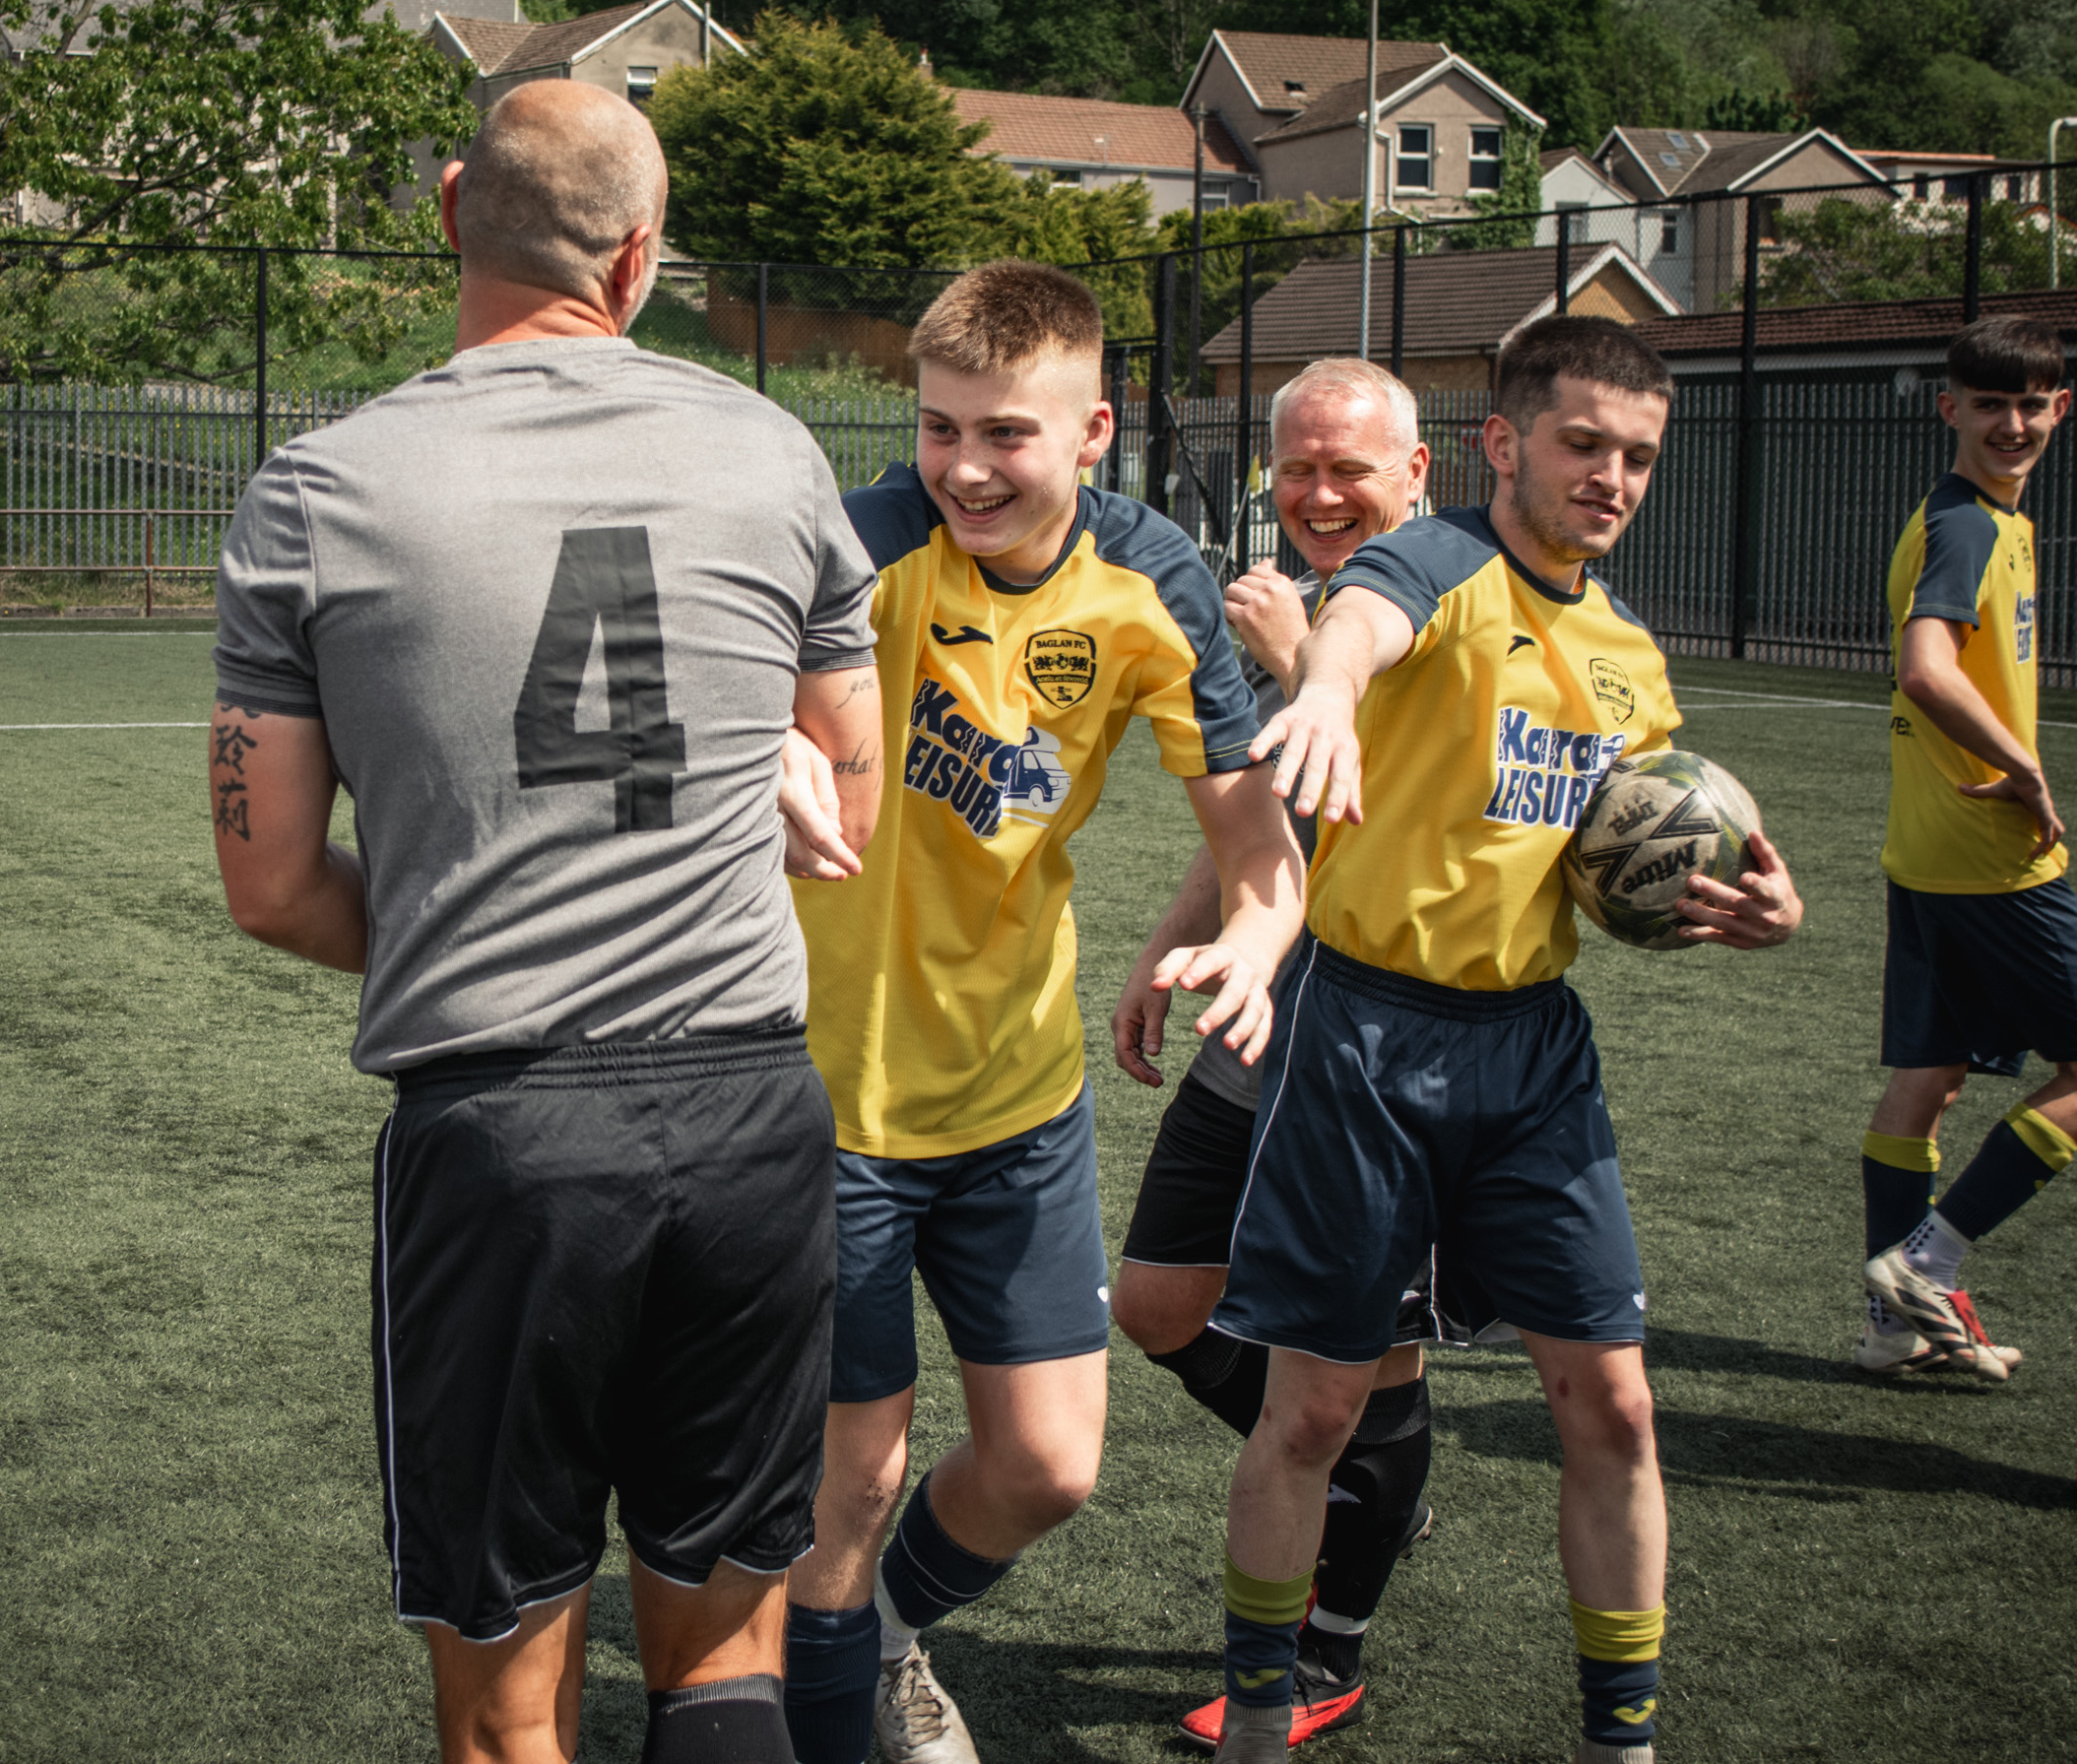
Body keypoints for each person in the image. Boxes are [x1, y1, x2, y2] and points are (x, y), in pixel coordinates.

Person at [208, 78, 885, 1764]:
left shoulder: (321, 487)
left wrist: (470, 919)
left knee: (511, 1717)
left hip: (505, 1127)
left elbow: (272, 881)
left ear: (450, 210)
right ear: (640, 256)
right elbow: (842, 811)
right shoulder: (777, 451)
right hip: (749, 1113)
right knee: (726, 1654)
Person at [1213, 317, 1804, 1764]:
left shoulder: (1629, 660)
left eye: (1638, 458)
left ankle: (1624, 1740)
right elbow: (1360, 617)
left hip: (1533, 1054)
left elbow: (1637, 860)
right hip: (1363, 1037)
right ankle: (1262, 1715)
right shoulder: (1438, 564)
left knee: (1613, 1400)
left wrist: (1754, 903)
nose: (1610, 478)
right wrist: (1333, 685)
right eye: (1584, 444)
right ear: (1505, 442)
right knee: (1313, 1411)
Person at [770, 260, 1307, 1764]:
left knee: (1049, 1467)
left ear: (1092, 433)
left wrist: (1260, 942)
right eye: (939, 429)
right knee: (849, 1490)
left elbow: (1261, 852)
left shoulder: (1151, 583)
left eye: (1005, 433)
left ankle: (875, 1639)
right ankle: (836, 1690)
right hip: (826, 1103)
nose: (963, 468)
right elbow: (707, 702)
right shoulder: (859, 550)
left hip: (1017, 1098)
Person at [1107, 359, 1437, 1752]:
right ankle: (1357, 1483)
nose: (1315, 493)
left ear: (1417, 475)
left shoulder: (1448, 594)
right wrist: (1167, 943)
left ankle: (1330, 1643)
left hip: (1398, 1055)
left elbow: (1405, 805)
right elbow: (1270, 822)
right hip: (1266, 1022)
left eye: (1348, 469)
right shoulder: (1294, 602)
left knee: (1373, 1373)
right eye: (1295, 466)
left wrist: (1304, 655)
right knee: (1157, 1304)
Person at [1858, 314, 2076, 1381]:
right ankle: (1931, 1262)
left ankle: (1892, 1326)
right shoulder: (1968, 528)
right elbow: (1925, 668)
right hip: (1992, 852)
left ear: (2060, 410)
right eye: (1989, 403)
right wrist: (2028, 770)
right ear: (1950, 408)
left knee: (1929, 1076)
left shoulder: (1984, 516)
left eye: (2032, 402)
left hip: (1927, 845)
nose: (2013, 422)